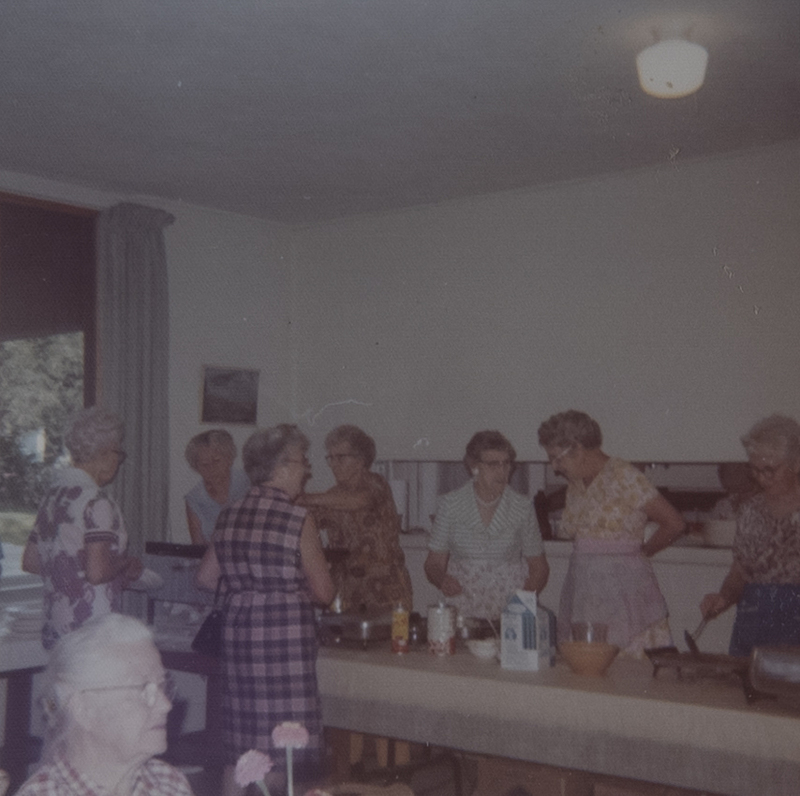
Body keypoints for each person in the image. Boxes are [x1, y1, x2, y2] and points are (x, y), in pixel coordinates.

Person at [195, 424, 335, 796]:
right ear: (282, 467)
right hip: (284, 645)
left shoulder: (229, 515)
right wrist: (286, 588)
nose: (306, 470)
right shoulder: (298, 520)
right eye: (303, 462)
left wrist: (247, 587)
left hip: (240, 639)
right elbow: (324, 591)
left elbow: (206, 579)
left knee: (242, 749)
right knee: (283, 748)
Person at [538, 410, 685, 658]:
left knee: (627, 667)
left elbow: (675, 523)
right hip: (585, 592)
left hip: (624, 592)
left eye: (556, 459)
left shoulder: (623, 475)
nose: (554, 468)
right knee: (589, 666)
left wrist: (643, 552)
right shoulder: (575, 484)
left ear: (577, 448)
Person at [15, 612, 194, 796]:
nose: (166, 705)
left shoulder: (169, 784)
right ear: (82, 709)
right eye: (143, 690)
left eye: (162, 686)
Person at [22, 406, 143, 650]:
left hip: (57, 623)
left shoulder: (53, 496)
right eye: (118, 453)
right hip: (92, 627)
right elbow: (97, 573)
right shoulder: (96, 501)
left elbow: (31, 562)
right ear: (106, 453)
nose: (118, 461)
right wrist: (125, 563)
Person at [700, 414, 800, 656]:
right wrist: (723, 597)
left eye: (770, 470)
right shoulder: (750, 510)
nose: (761, 478)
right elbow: (740, 571)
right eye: (755, 470)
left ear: (796, 464)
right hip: (754, 618)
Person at [424, 430, 549, 621]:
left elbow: (539, 567)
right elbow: (433, 564)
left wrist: (522, 601)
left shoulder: (522, 507)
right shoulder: (450, 504)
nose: (502, 471)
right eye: (493, 464)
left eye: (506, 463)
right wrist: (442, 580)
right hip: (461, 608)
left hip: (509, 611)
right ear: (474, 466)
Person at [297, 425, 413, 613]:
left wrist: (307, 498)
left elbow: (360, 500)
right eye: (331, 458)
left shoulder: (376, 484)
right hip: (347, 591)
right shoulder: (333, 494)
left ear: (360, 460)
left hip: (385, 590)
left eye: (340, 457)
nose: (334, 464)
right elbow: (308, 521)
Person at [184, 429, 250, 546]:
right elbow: (197, 548)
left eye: (217, 460)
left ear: (229, 458)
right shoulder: (194, 499)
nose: (212, 468)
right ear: (196, 468)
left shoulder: (248, 483)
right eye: (205, 464)